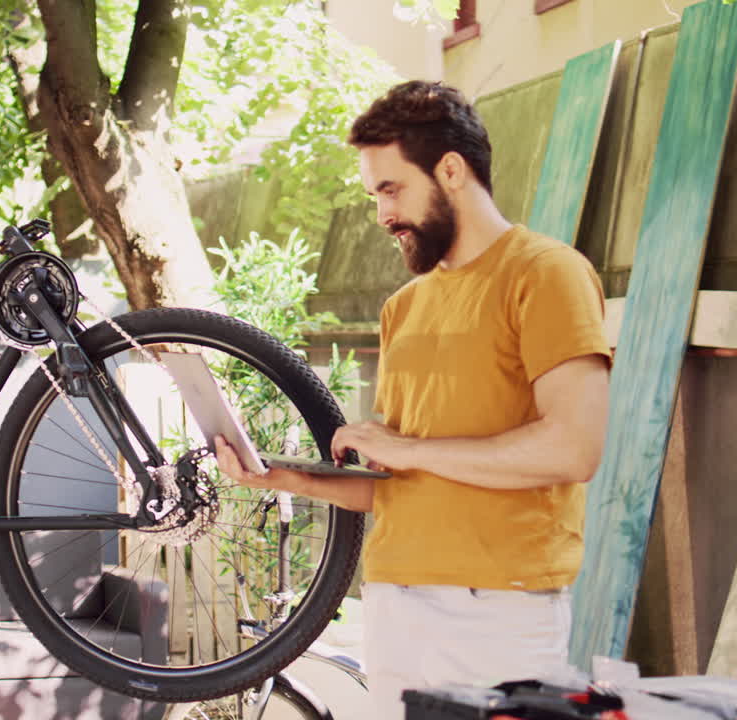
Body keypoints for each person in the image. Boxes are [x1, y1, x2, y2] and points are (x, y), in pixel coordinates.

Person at [214, 80, 612, 719]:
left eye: (392, 188)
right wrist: (278, 476)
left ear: (451, 171)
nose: (381, 215)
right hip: (396, 607)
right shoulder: (404, 307)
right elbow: (401, 481)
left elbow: (573, 448)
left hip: (500, 614)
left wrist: (407, 448)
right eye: (374, 195)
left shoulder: (546, 273)